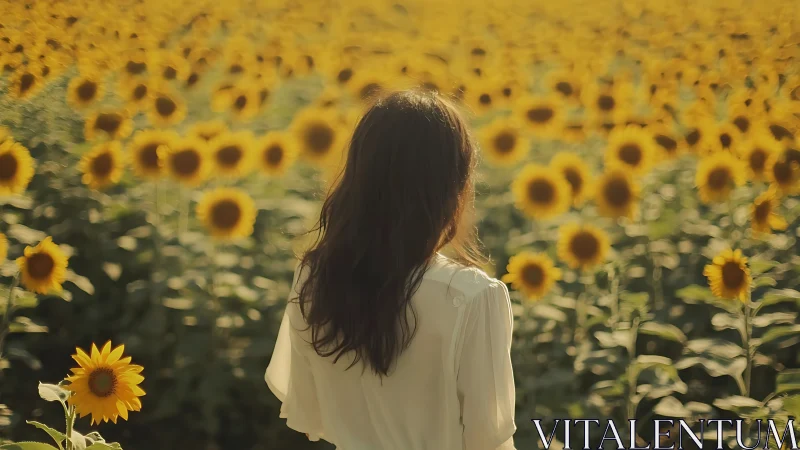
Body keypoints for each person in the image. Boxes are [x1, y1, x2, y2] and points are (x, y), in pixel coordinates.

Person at [266, 89, 517, 450]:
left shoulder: (315, 277)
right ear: (452, 188)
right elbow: (489, 442)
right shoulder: (471, 298)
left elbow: (310, 417)